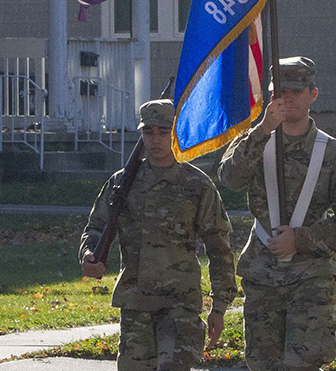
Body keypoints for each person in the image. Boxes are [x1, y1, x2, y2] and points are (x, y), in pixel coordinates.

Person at [217, 56, 336, 371]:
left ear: (313, 94)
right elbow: (230, 179)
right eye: (281, 91)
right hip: (262, 271)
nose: (289, 98)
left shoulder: (333, 152)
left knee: (303, 363)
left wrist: (302, 240)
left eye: (297, 90)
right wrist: (260, 133)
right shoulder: (253, 141)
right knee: (263, 364)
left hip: (312, 275)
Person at [79, 99, 237, 371]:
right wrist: (89, 254)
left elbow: (219, 247)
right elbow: (96, 227)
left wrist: (220, 306)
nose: (155, 139)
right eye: (148, 131)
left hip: (180, 304)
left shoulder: (196, 185)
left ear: (176, 133)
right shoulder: (122, 183)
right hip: (136, 302)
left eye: (164, 132)